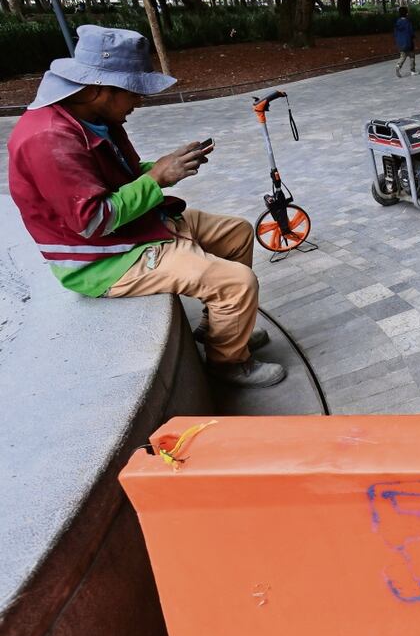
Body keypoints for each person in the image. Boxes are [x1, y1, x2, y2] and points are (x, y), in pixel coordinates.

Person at [7, 25, 287, 388]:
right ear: (97, 90)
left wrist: (166, 166)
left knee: (236, 233)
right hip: (103, 258)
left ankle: (220, 329)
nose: (139, 102)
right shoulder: (48, 139)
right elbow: (93, 220)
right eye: (134, 92)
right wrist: (157, 178)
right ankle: (228, 363)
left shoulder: (95, 116)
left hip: (133, 227)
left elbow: (121, 176)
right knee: (237, 283)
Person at [394, 6, 416, 77]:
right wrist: (413, 36)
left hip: (400, 43)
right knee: (412, 55)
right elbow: (411, 32)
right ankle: (412, 70)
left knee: (403, 56)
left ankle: (398, 66)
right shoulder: (407, 22)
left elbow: (395, 33)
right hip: (408, 42)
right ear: (406, 13)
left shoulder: (397, 22)